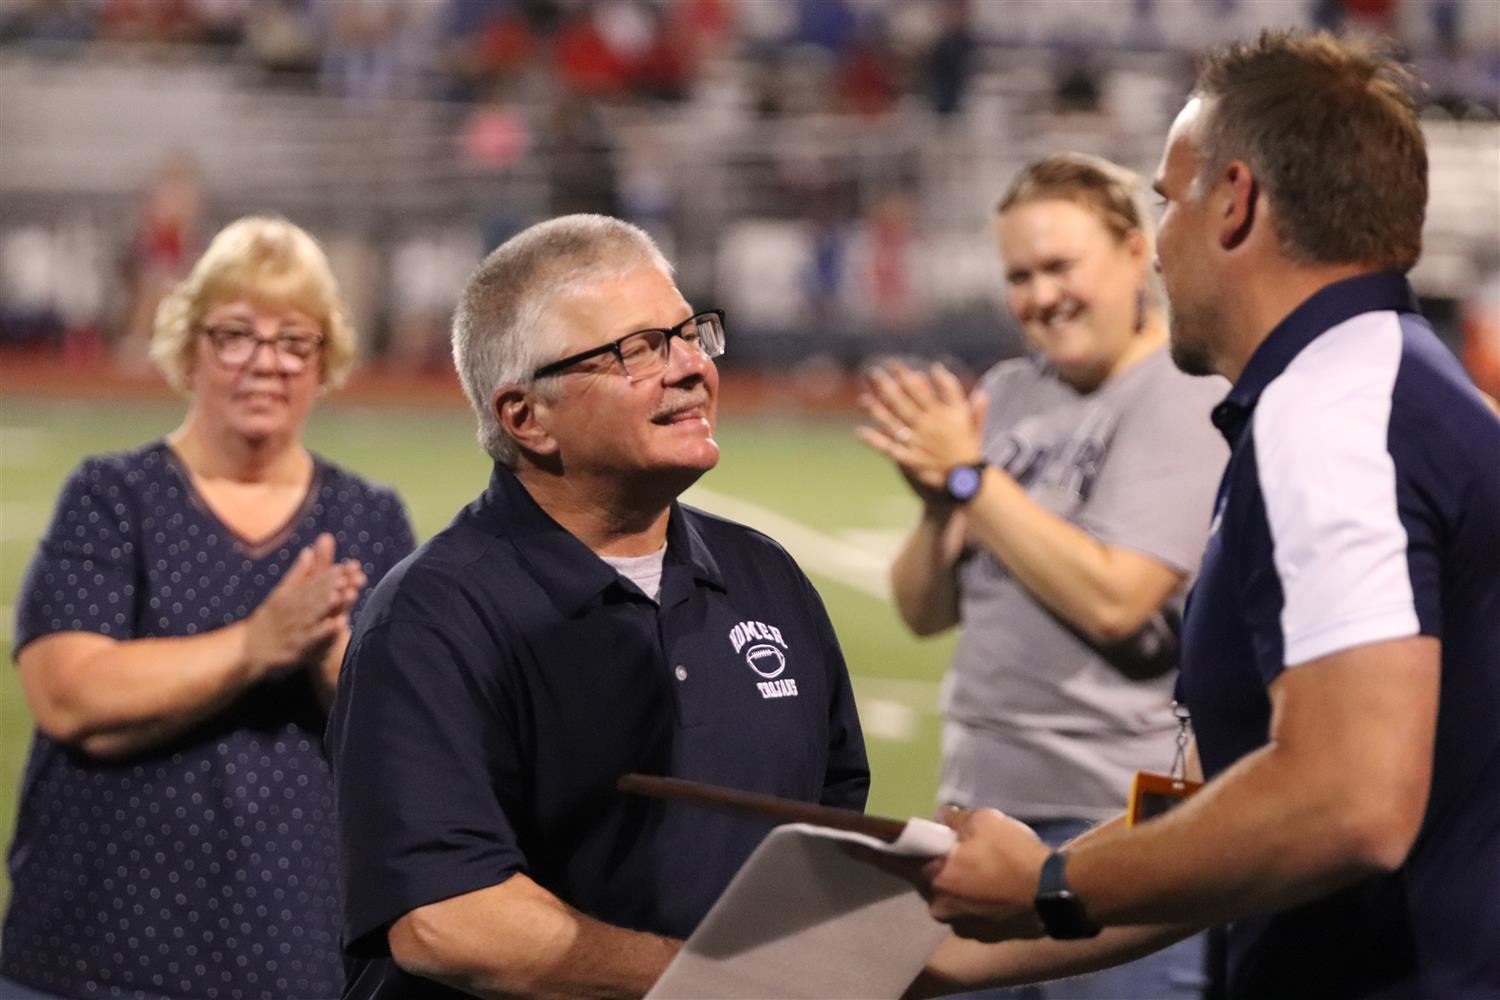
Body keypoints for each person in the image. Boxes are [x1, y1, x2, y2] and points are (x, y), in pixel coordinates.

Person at [901, 31, 1500, 1000]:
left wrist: (1055, 877)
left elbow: (1347, 800)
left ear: (1235, 202)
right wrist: (971, 947)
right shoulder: (1363, 387)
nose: (1161, 248)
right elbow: (1245, 808)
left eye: (1164, 200)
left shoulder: (1334, 412)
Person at [327, 213, 870, 999]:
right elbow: (446, 919)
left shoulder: (766, 578)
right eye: (639, 350)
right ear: (526, 417)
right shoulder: (432, 620)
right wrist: (727, 983)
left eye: (691, 333)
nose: (690, 368)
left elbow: (830, 848)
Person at [2, 216, 416, 999]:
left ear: (325, 362)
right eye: (236, 335)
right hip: (90, 962)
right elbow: (67, 695)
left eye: (295, 340)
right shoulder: (113, 497)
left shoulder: (371, 517)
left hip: (301, 964)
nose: (266, 363)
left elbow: (405, 746)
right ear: (189, 348)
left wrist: (336, 665)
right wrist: (257, 645)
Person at [858, 153, 1226, 1000]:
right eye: (1019, 275)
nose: (1041, 295)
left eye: (1062, 265)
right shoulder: (1011, 393)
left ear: (1137, 254)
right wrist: (938, 505)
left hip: (1116, 820)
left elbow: (1116, 597)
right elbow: (922, 609)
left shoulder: (1181, 391)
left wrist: (969, 480)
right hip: (983, 808)